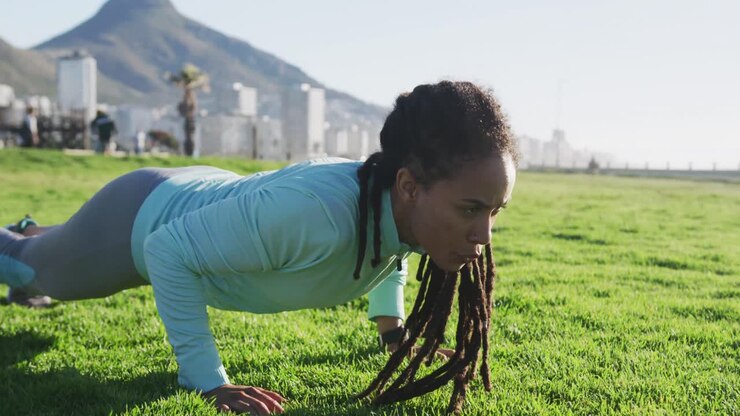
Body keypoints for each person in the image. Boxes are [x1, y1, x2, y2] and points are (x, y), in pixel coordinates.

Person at [0, 81, 518, 415]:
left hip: (200, 194)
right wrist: (209, 382)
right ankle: (21, 242)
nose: (483, 235)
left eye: (494, 212)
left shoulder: (399, 206)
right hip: (139, 220)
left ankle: (39, 231)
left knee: (53, 250)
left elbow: (394, 253)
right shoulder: (317, 216)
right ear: (409, 186)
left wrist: (393, 332)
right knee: (31, 274)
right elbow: (166, 251)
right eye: (471, 209)